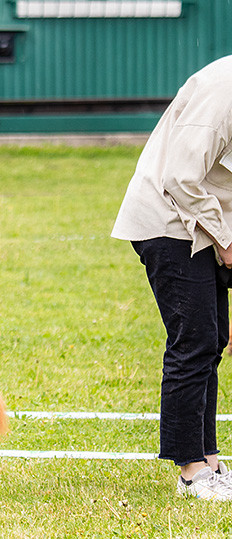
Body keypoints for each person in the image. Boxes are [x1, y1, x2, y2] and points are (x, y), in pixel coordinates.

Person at [112, 54, 232, 501]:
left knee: (212, 341)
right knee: (194, 341)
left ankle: (211, 462)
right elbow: (181, 178)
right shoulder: (223, 92)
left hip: (202, 223)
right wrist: (226, 241)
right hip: (166, 221)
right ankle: (191, 472)